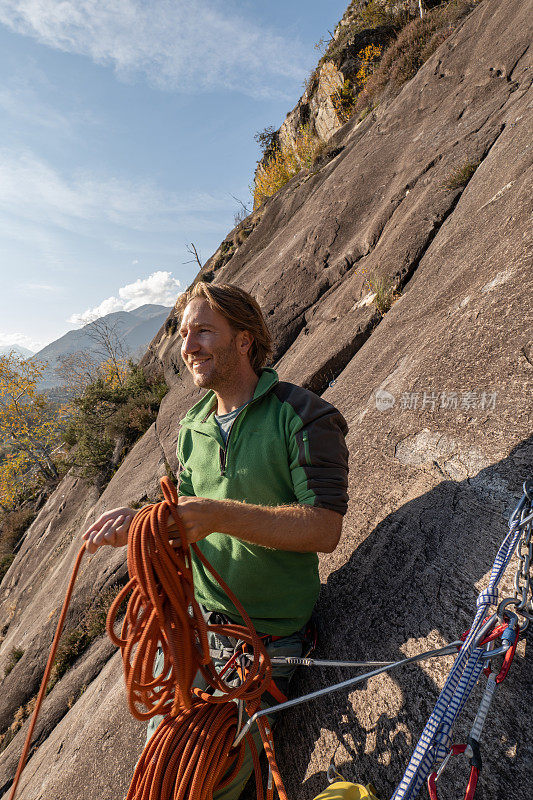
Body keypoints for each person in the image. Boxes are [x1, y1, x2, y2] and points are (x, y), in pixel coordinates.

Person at [83, 282, 349, 799]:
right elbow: (185, 516)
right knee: (162, 770)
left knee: (212, 781)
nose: (189, 346)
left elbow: (324, 528)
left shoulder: (303, 415)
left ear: (244, 340)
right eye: (184, 334)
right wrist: (139, 524)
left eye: (204, 331)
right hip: (199, 628)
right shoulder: (192, 428)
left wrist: (216, 514)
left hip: (268, 638)